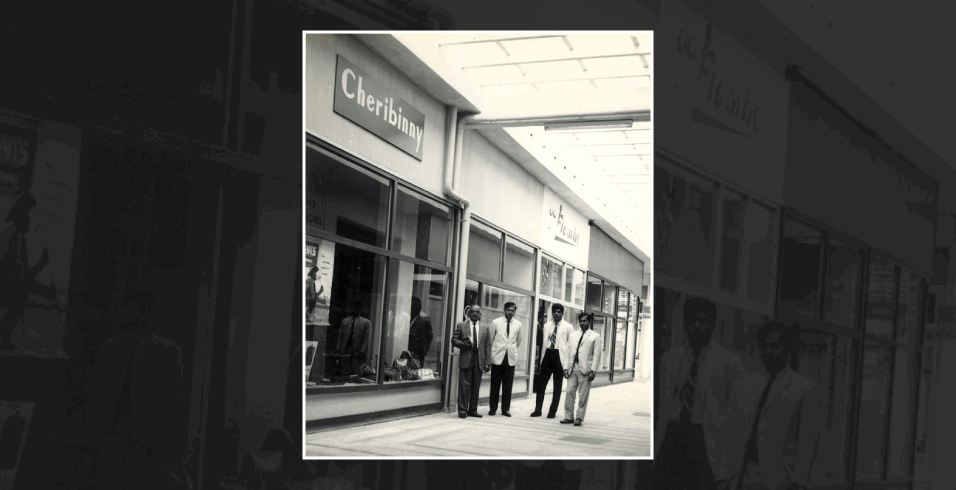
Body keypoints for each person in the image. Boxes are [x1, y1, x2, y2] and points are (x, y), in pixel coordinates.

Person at [654, 296, 745, 490]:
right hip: (673, 436)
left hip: (706, 441)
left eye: (702, 321)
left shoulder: (730, 363)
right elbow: (663, 407)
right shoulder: (670, 359)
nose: (696, 325)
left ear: (713, 325)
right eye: (691, 320)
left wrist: (728, 468)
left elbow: (736, 418)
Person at [726, 322, 815, 490]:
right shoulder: (745, 384)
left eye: (774, 346)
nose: (768, 351)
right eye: (763, 347)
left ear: (787, 347)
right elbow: (733, 429)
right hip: (743, 474)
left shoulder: (804, 388)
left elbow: (808, 441)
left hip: (780, 478)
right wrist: (727, 473)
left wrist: (800, 483)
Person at [0, 190, 57, 351]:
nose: (30, 220)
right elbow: (22, 277)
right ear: (21, 216)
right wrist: (41, 266)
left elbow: (22, 275)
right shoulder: (13, 236)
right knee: (22, 293)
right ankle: (3, 336)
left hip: (7, 283)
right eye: (28, 215)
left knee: (22, 291)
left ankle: (3, 336)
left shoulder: (14, 235)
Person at [532, 303, 572, 418]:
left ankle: (552, 411)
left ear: (562, 313)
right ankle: (538, 410)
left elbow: (570, 345)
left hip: (559, 356)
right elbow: (544, 342)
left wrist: (567, 364)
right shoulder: (547, 325)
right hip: (548, 354)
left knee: (557, 386)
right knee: (541, 384)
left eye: (558, 312)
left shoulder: (568, 327)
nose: (556, 314)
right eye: (554, 312)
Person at [561, 312, 601, 426]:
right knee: (569, 393)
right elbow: (567, 352)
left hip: (585, 370)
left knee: (583, 396)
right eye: (580, 321)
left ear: (589, 321)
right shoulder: (573, 335)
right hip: (572, 368)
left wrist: (593, 371)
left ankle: (579, 417)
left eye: (584, 321)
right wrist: (565, 368)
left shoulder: (595, 336)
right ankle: (568, 417)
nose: (582, 323)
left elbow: (597, 355)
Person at [451, 304, 491, 418]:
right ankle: (462, 410)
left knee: (475, 386)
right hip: (466, 359)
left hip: (479, 360)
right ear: (468, 313)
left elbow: (488, 346)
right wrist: (463, 345)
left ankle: (473, 410)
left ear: (480, 314)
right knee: (464, 386)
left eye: (477, 312)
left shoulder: (485, 327)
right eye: (472, 311)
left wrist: (488, 362)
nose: (474, 313)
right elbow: (454, 340)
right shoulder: (461, 325)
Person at [489, 302, 521, 417]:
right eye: (508, 310)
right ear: (504, 310)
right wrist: (495, 350)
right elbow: (491, 338)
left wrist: (511, 349)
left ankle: (505, 409)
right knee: (495, 384)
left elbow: (519, 340)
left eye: (512, 310)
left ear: (515, 311)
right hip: (498, 356)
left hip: (510, 357)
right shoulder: (496, 322)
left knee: (508, 385)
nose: (510, 312)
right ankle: (493, 408)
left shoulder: (518, 324)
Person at [336, 301, 371, 375]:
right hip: (345, 349)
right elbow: (340, 336)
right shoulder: (345, 321)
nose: (355, 309)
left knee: (356, 371)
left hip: (357, 351)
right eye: (354, 308)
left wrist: (363, 351)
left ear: (360, 309)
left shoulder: (366, 322)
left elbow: (367, 338)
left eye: (357, 308)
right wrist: (338, 349)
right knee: (344, 370)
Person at [406, 296, 433, 366]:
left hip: (417, 352)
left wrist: (424, 350)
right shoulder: (409, 317)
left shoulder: (424, 319)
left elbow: (428, 337)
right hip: (408, 349)